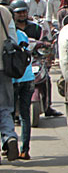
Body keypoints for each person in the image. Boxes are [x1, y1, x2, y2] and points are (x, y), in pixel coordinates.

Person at [10, 0, 61, 118]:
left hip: (34, 59)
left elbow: (46, 41)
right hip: (16, 62)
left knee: (46, 78)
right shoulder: (10, 29)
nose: (22, 14)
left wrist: (47, 48)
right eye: (19, 12)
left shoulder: (36, 28)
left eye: (24, 12)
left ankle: (48, 106)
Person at [0, 0, 19, 162]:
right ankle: (9, 136)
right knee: (5, 107)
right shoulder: (4, 12)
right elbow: (13, 40)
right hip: (3, 67)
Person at [12, 28, 35, 160]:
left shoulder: (5, 37)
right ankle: (25, 150)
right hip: (28, 78)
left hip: (12, 79)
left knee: (7, 114)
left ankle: (7, 145)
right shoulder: (22, 34)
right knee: (25, 115)